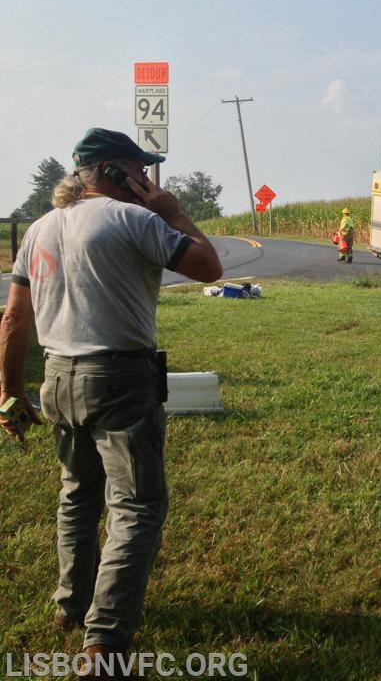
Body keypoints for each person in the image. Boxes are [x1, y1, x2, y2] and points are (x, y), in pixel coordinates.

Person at [0, 128, 222, 671]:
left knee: (77, 495)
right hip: (120, 379)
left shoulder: (39, 230)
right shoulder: (137, 219)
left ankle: (70, 605)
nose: (148, 180)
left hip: (57, 379)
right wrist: (173, 212)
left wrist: (8, 391)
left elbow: (13, 319)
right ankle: (103, 641)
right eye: (141, 170)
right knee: (137, 506)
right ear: (116, 172)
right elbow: (209, 267)